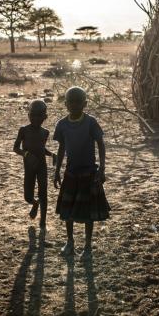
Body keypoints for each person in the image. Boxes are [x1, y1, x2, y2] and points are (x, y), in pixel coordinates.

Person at [53, 86, 110, 258]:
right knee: (67, 210)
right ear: (66, 104)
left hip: (89, 173)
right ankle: (70, 242)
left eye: (79, 102)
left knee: (88, 213)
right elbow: (61, 148)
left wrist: (102, 167)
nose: (75, 105)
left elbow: (100, 143)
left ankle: (87, 246)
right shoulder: (62, 125)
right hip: (70, 172)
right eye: (71, 102)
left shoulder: (91, 122)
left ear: (85, 104)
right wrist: (56, 170)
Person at [14, 100, 56, 229]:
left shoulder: (45, 132)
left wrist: (52, 154)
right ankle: (35, 204)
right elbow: (16, 148)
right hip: (29, 167)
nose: (35, 119)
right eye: (33, 115)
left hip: (41, 166)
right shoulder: (24, 130)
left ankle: (43, 220)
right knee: (28, 196)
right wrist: (26, 154)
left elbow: (41, 148)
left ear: (45, 117)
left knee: (43, 192)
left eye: (39, 116)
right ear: (28, 115)